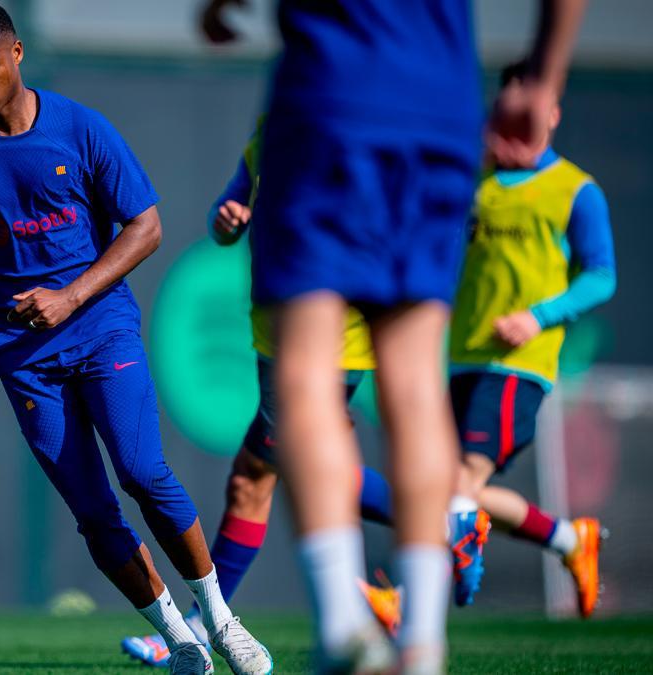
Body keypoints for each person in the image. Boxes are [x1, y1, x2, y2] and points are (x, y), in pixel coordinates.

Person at [0, 4, 271, 674]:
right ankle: (179, 641)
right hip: (22, 358)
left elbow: (146, 226)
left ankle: (219, 618)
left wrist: (70, 295)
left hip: (102, 330)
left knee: (142, 471)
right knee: (93, 511)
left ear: (16, 53)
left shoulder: (80, 129)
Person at [199, 1, 587, 672]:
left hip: (329, 101)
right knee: (413, 381)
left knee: (302, 378)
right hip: (439, 110)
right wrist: (545, 76)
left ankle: (346, 630)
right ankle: (424, 645)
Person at [121, 121, 400, 668]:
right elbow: (226, 219)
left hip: (329, 339)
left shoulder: (360, 137)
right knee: (277, 475)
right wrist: (226, 222)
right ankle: (443, 523)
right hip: (276, 336)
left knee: (260, 474)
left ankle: (204, 628)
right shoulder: (270, 136)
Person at [446, 60, 614, 615]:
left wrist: (537, 317)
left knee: (461, 478)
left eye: (530, 105)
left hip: (519, 362)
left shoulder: (575, 189)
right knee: (451, 486)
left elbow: (600, 276)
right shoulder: (478, 184)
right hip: (460, 356)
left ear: (553, 114)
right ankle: (570, 540)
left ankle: (402, 597)